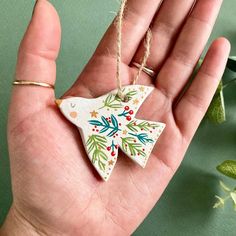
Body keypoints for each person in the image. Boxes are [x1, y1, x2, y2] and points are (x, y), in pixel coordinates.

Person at [0, 0, 230, 235]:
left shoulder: (101, 111)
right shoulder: (92, 131)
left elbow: (104, 154)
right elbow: (102, 159)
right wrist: (35, 225)